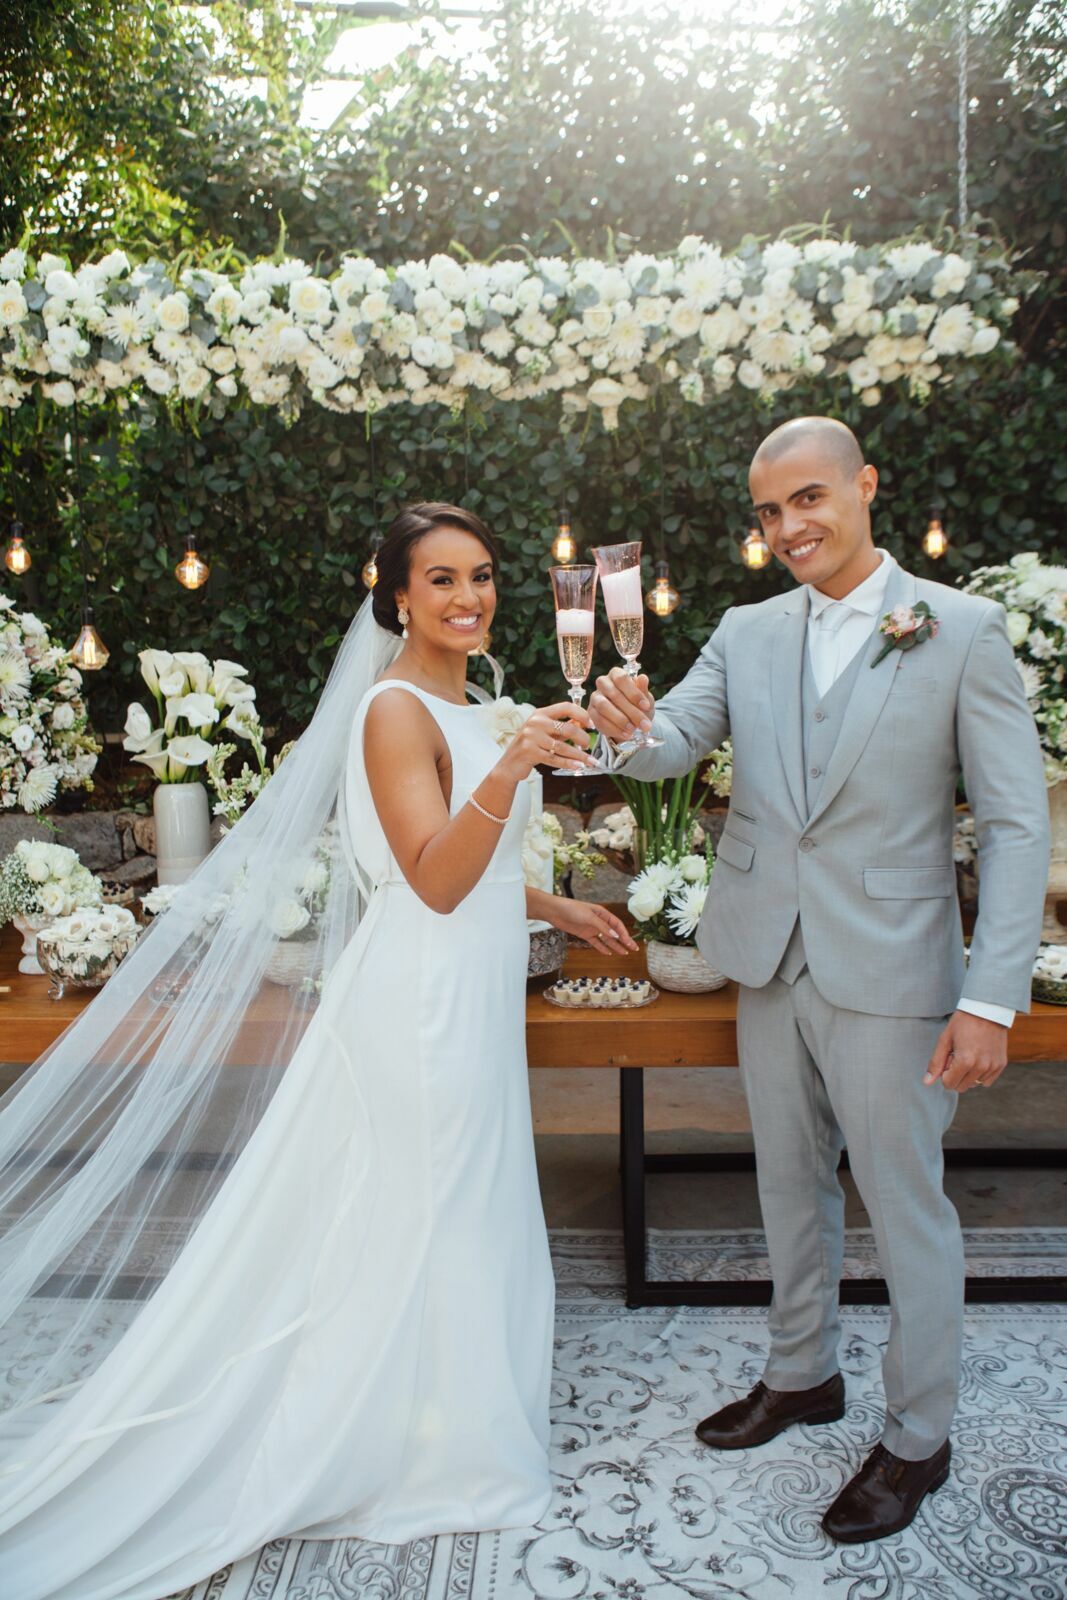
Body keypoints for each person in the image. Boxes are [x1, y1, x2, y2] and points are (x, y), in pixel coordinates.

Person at [0, 502, 636, 1599]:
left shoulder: (468, 696)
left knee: (459, 1200)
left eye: (480, 576)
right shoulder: (393, 708)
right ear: (392, 593)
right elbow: (430, 879)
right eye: (440, 579)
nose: (469, 597)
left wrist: (557, 907)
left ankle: (437, 1407)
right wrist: (513, 764)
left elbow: (466, 862)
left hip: (468, 988)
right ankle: (424, 1447)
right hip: (420, 1001)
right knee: (431, 1202)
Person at [588, 417, 1050, 1543]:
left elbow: (1012, 817)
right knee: (787, 1187)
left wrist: (988, 997)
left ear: (862, 487)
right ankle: (800, 1373)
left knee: (904, 1212)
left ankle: (913, 1438)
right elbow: (668, 746)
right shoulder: (745, 633)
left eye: (807, 498)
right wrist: (620, 722)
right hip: (766, 951)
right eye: (766, 510)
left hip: (893, 966)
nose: (787, 525)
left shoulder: (958, 628)